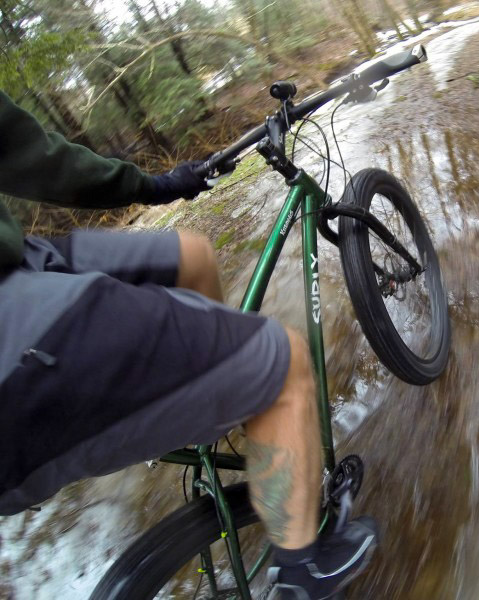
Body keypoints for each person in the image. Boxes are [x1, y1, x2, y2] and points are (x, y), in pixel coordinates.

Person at [0, 90, 377, 599]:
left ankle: (223, 391)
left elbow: (38, 157)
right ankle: (303, 572)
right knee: (284, 361)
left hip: (25, 261)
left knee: (192, 254)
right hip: (14, 333)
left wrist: (157, 186)